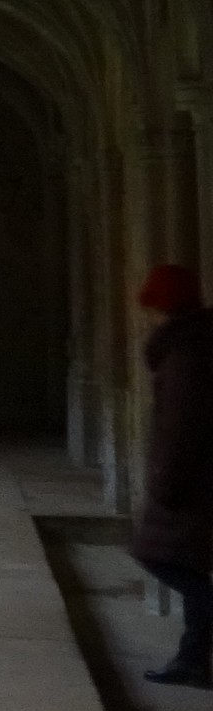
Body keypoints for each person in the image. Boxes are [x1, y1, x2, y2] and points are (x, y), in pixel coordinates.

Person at [134, 262, 213, 687]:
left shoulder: (184, 352)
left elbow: (179, 425)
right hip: (196, 480)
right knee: (190, 567)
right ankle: (192, 659)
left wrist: (166, 483)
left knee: (157, 555)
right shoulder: (194, 344)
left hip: (188, 482)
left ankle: (194, 657)